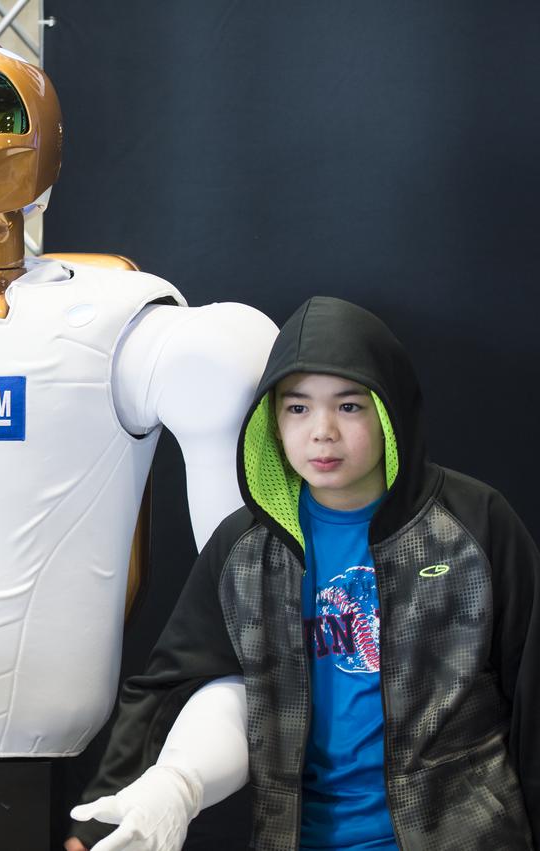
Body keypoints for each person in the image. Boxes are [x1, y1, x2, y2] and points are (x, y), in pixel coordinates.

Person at [69, 296, 539, 850]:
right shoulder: (244, 546)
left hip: (463, 835)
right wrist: (102, 818)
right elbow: (172, 685)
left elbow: (530, 684)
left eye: (348, 406)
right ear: (271, 418)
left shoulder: (474, 522)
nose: (322, 432)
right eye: (297, 408)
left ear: (388, 411)